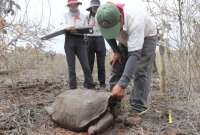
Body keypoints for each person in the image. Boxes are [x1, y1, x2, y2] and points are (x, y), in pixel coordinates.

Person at [95, 2, 157, 115]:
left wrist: (123, 84)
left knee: (141, 70)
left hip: (146, 36)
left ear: (120, 18)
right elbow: (107, 35)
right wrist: (116, 51)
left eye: (114, 29)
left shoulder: (135, 19)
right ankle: (113, 103)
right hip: (125, 36)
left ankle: (138, 107)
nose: (113, 32)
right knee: (117, 64)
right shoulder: (100, 17)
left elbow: (135, 55)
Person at [64, 0, 95, 89]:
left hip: (81, 41)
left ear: (78, 5)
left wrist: (89, 27)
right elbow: (62, 26)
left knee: (86, 65)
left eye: (75, 4)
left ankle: (90, 85)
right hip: (69, 40)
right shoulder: (65, 16)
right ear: (69, 6)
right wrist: (70, 28)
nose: (73, 6)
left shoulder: (83, 16)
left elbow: (87, 29)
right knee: (71, 66)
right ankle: (73, 87)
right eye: (71, 5)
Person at [86, 0, 106, 88]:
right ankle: (89, 82)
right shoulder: (86, 17)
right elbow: (83, 29)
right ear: (91, 8)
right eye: (94, 7)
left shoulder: (103, 17)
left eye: (97, 7)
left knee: (101, 63)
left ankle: (102, 83)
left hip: (100, 38)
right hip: (89, 39)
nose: (95, 8)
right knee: (89, 62)